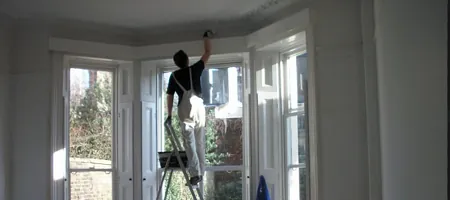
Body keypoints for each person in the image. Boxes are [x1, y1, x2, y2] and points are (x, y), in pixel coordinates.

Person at [165, 30, 212, 186]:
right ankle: (201, 175)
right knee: (199, 142)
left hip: (185, 110)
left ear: (177, 63)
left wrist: (169, 115)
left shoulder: (174, 76)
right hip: (200, 108)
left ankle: (195, 175)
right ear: (186, 60)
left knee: (189, 143)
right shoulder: (195, 68)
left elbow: (170, 95)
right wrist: (206, 37)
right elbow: (208, 52)